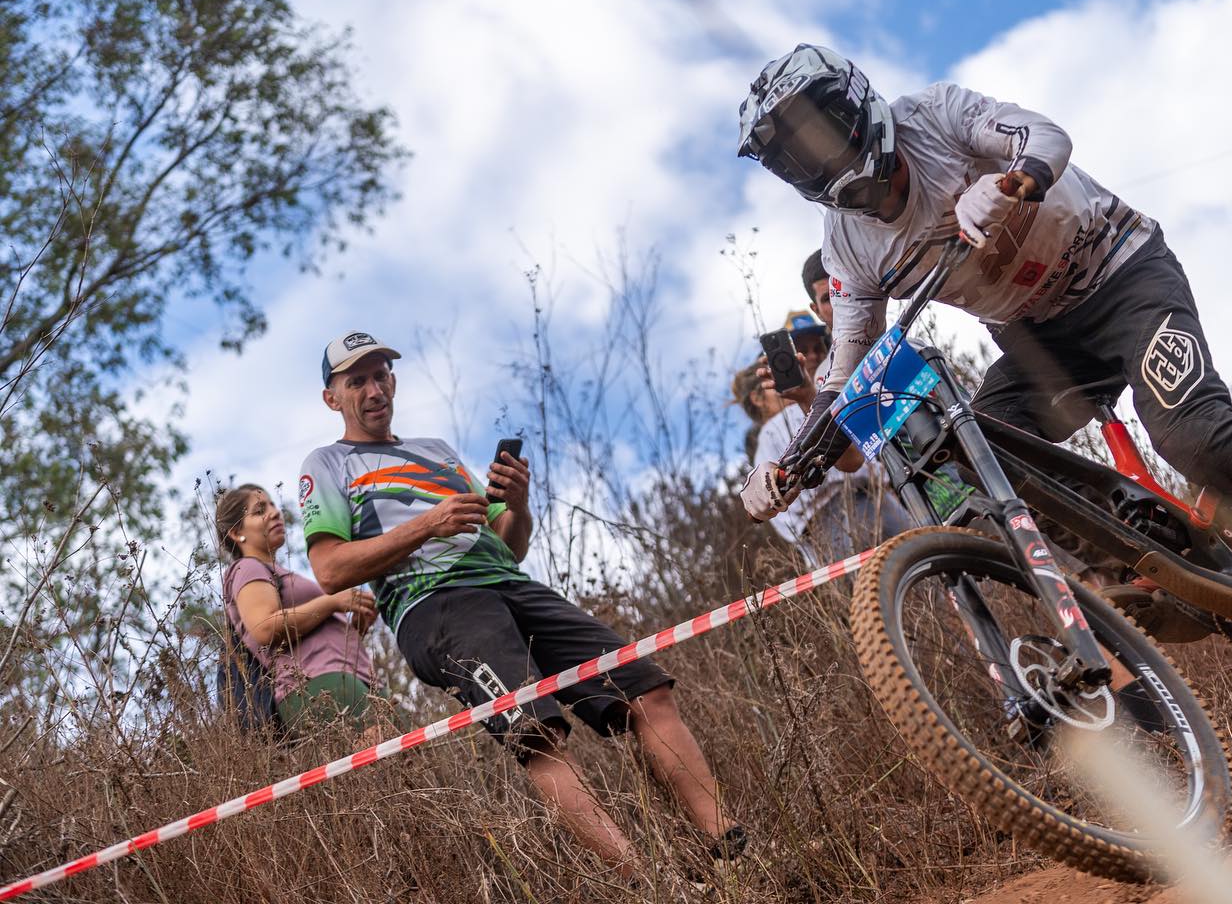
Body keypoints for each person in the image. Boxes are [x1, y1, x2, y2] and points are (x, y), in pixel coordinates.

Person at [734, 43, 1232, 624]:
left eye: (816, 131)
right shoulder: (847, 248)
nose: (817, 156)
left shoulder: (935, 117)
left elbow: (1046, 136)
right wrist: (789, 469)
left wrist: (1014, 181)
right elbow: (847, 376)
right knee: (969, 463)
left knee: (1191, 437)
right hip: (1043, 343)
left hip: (1125, 276)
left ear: (852, 105)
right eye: (795, 155)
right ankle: (1143, 561)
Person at [298, 331, 744, 881]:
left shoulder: (435, 451)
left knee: (644, 689)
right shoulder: (327, 464)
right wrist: (429, 523)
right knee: (536, 731)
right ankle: (648, 886)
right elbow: (329, 570)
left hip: (510, 584)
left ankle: (731, 849)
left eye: (381, 373)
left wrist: (518, 503)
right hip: (434, 605)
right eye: (356, 380)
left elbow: (507, 543)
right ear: (332, 397)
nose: (374, 388)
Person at [216, 483, 377, 732]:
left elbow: (315, 638)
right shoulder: (247, 568)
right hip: (320, 684)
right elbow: (265, 628)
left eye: (272, 505)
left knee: (417, 758)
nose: (274, 512)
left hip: (355, 679)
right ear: (237, 533)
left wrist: (355, 627)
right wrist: (333, 602)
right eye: (259, 511)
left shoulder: (284, 574)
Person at [750, 311, 909, 563]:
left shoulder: (852, 392)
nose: (812, 355)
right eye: (802, 349)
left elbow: (859, 458)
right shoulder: (774, 428)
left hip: (879, 497)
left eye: (818, 347)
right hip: (825, 521)